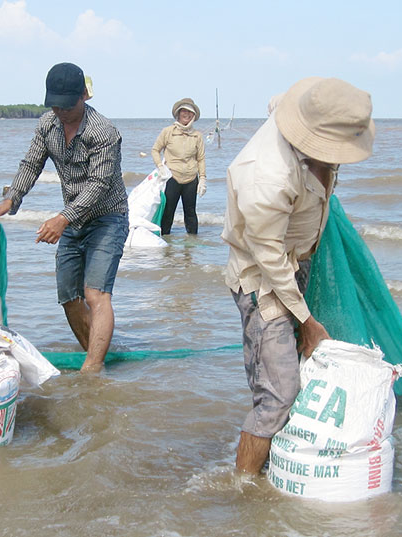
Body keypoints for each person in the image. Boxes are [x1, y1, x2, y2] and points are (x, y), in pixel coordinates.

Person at [221, 77, 375, 474]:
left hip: (297, 260)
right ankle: (242, 492)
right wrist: (306, 322)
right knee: (279, 392)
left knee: (290, 375)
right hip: (263, 279)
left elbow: (279, 101)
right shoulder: (267, 177)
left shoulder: (302, 111)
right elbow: (268, 260)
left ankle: (278, 465)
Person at [0, 62, 128, 373]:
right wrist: (13, 198)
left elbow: (99, 187)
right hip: (73, 220)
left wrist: (62, 218)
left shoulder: (103, 132)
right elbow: (31, 163)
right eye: (55, 105)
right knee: (69, 297)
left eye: (67, 105)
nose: (61, 112)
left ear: (84, 96)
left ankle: (92, 369)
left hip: (108, 217)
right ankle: (99, 358)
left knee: (95, 293)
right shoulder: (47, 125)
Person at [150, 98, 207, 235]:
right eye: (184, 111)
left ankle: (192, 245)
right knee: (168, 212)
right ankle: (164, 242)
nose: (186, 114)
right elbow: (155, 150)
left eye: (190, 112)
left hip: (191, 179)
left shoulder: (197, 136)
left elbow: (201, 159)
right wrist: (160, 166)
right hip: (172, 177)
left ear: (194, 116)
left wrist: (203, 179)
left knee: (191, 213)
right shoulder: (168, 131)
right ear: (178, 113)